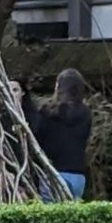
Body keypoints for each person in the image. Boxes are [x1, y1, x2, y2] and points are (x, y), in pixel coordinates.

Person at [22, 68, 92, 201]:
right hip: (78, 172)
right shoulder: (85, 113)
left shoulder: (48, 112)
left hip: (54, 170)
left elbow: (37, 138)